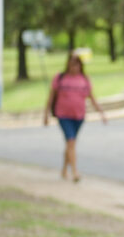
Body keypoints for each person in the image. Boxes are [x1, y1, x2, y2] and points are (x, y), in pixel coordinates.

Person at [43, 51, 107, 182]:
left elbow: (92, 98)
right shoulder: (60, 78)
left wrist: (101, 113)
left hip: (79, 116)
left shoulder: (84, 79)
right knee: (71, 141)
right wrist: (46, 115)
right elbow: (51, 97)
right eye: (72, 64)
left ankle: (64, 170)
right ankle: (75, 172)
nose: (74, 67)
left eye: (76, 64)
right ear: (68, 64)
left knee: (70, 144)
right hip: (63, 116)